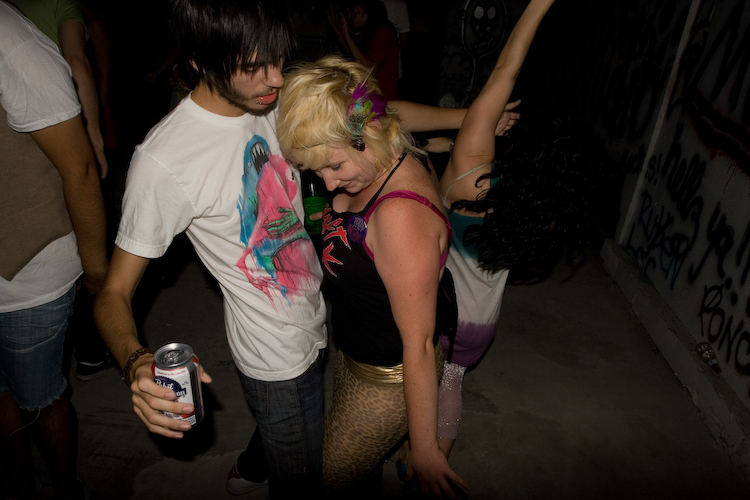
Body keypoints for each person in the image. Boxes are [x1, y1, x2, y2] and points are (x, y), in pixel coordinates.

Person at [92, 1, 327, 498]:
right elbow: (112, 292)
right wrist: (136, 363)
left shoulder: (269, 96)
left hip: (315, 309)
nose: (275, 79)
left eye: (279, 59)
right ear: (199, 60)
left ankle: (252, 465)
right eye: (254, 66)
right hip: (274, 352)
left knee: (292, 430)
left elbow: (366, 110)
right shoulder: (165, 161)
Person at [401, 0, 603, 471]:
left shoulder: (471, 176)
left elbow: (504, 73)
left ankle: (415, 452)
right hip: (481, 327)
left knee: (417, 383)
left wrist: (537, 6)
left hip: (440, 316)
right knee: (452, 384)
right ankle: (430, 464)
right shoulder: (538, 212)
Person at [277, 55, 468, 499]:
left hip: (388, 379)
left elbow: (419, 345)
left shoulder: (400, 216)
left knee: (325, 481)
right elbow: (390, 108)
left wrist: (424, 448)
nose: (327, 184)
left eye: (334, 167)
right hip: (354, 353)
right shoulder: (378, 135)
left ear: (366, 137)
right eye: (315, 170)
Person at [0, 2, 109, 498]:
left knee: (40, 397)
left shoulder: (12, 37)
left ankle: (67, 491)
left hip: (28, 269)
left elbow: (80, 169)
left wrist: (98, 272)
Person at [328, 0, 400, 100]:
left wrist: (349, 40)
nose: (347, 18)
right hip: (371, 96)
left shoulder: (383, 31)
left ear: (357, 10)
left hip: (384, 99)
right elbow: (353, 54)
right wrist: (335, 27)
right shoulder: (367, 30)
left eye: (347, 13)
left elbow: (371, 71)